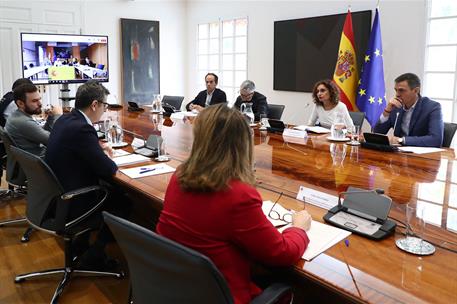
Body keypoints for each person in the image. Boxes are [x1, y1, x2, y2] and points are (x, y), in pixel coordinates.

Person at [157, 104, 311, 304]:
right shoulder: (239, 195)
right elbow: (282, 253)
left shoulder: (179, 176)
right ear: (242, 144)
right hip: (221, 295)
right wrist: (299, 228)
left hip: (179, 287)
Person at [46, 80, 128, 270]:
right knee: (123, 201)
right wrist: (104, 155)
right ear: (94, 104)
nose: (105, 110)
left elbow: (76, 149)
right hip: (74, 200)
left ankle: (80, 244)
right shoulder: (83, 129)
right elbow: (108, 170)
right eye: (105, 106)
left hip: (57, 196)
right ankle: (96, 255)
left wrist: (96, 149)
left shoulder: (65, 120)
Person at [374, 73, 443, 147]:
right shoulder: (396, 106)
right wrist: (387, 111)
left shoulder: (432, 107)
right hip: (398, 153)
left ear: (416, 90)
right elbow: (378, 132)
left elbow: (436, 139)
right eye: (396, 90)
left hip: (420, 155)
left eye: (401, 90)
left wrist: (401, 140)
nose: (397, 94)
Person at [5, 83, 61, 157]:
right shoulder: (24, 122)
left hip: (33, 160)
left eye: (39, 99)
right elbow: (53, 140)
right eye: (34, 101)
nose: (40, 104)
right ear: (20, 103)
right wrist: (58, 116)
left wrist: (51, 117)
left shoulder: (16, 116)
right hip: (42, 162)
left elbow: (42, 134)